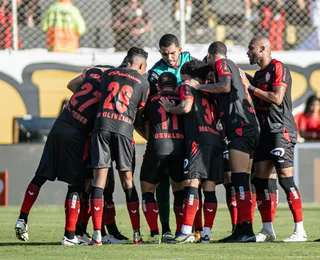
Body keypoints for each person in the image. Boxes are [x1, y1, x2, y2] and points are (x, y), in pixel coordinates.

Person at [14, 66, 107, 246]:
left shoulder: (94, 72)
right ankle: (70, 235)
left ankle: (22, 218)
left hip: (61, 123)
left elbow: (71, 85)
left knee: (40, 175)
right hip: (77, 135)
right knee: (76, 185)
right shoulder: (113, 84)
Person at [187, 42, 260, 243]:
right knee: (243, 179)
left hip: (240, 126)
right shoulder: (236, 67)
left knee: (239, 180)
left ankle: (245, 230)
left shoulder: (222, 63)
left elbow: (225, 86)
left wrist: (198, 86)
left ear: (211, 55)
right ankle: (245, 228)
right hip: (249, 125)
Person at [242, 36, 307, 242]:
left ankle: (300, 230)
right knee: (260, 180)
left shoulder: (278, 67)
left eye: (251, 48)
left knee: (286, 179)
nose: (248, 52)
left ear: (263, 49)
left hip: (281, 131)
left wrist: (251, 88)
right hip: (265, 133)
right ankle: (268, 230)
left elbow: (277, 98)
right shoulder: (259, 74)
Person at [88, 47, 149, 246]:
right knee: (127, 180)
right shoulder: (143, 82)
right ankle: (137, 234)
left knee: (99, 179)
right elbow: (140, 113)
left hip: (101, 126)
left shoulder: (108, 74)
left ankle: (97, 234)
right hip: (123, 129)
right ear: (140, 64)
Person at [160, 59, 223, 243]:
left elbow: (186, 106)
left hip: (199, 139)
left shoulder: (187, 86)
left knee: (191, 183)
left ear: (186, 76)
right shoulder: (209, 90)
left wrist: (171, 108)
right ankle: (206, 234)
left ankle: (186, 230)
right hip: (215, 139)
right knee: (209, 188)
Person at [148, 33, 203, 242]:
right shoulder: (155, 72)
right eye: (165, 54)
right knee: (163, 178)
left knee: (193, 180)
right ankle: (166, 229)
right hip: (166, 131)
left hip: (192, 129)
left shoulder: (191, 62)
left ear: (180, 49)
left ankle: (196, 229)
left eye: (172, 53)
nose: (169, 58)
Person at [140, 72, 185, 244]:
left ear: (158, 86)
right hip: (179, 146)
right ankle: (180, 232)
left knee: (148, 190)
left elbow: (139, 121)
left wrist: (149, 136)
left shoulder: (152, 99)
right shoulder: (182, 98)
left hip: (157, 145)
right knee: (179, 190)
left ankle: (154, 233)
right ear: (176, 86)